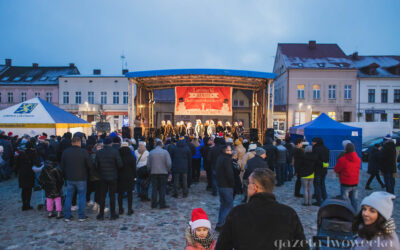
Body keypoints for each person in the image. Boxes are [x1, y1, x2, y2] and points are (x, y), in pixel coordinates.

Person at [216, 168, 309, 249]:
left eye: (248, 183)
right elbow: (301, 246)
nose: (247, 186)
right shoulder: (288, 213)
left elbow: (222, 246)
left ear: (255, 187)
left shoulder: (237, 212)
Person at [61, 137, 93, 222]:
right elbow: (90, 165)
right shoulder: (83, 152)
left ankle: (67, 216)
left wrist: (65, 176)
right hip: (81, 177)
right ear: (79, 143)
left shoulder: (66, 152)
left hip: (70, 178)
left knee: (69, 197)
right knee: (82, 197)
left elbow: (62, 166)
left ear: (72, 143)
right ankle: (81, 216)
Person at [95, 137, 123, 220]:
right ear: (111, 143)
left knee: (102, 196)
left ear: (103, 143)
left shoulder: (99, 152)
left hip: (102, 177)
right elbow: (120, 164)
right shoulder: (115, 152)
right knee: (112, 196)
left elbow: (96, 165)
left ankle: (101, 214)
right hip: (112, 176)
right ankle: (113, 214)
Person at [334, 143, 361, 211]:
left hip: (345, 183)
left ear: (345, 149)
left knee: (344, 201)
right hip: (355, 182)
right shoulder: (358, 159)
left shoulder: (343, 159)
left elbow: (336, 169)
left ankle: (346, 215)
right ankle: (355, 214)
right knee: (354, 200)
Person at [15, 141, 41, 211]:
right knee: (29, 189)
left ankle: (24, 204)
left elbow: (17, 164)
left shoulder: (21, 153)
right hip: (30, 172)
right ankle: (28, 204)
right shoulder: (33, 153)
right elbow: (37, 163)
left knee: (24, 189)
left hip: (22, 172)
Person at [215, 145, 234, 232]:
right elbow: (229, 173)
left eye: (231, 150)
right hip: (226, 185)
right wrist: (232, 183)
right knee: (228, 205)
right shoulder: (227, 159)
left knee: (223, 205)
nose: (231, 152)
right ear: (225, 151)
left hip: (220, 184)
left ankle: (221, 222)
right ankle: (220, 224)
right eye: (229, 151)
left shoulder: (220, 158)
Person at [147, 140, 171, 209]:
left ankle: (154, 204)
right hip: (163, 172)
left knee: (154, 188)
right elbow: (169, 163)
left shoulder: (151, 152)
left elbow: (148, 164)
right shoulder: (165, 152)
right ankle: (162, 204)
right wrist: (168, 170)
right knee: (162, 188)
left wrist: (150, 169)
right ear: (161, 145)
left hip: (154, 172)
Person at [38, 154, 64, 219]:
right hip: (55, 185)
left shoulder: (44, 168)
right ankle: (58, 213)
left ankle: (50, 212)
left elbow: (40, 178)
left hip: (47, 186)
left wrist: (43, 185)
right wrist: (60, 184)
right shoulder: (56, 168)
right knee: (57, 199)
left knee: (49, 198)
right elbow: (59, 178)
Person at [117, 142, 136, 215]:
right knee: (129, 193)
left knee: (120, 194)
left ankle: (120, 209)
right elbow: (134, 168)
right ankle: (129, 209)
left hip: (120, 176)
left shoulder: (118, 155)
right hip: (129, 176)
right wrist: (134, 176)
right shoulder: (131, 156)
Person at [312, 137, 330, 206]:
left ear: (316, 142)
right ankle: (325, 197)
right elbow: (327, 159)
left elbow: (315, 160)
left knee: (317, 185)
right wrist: (324, 164)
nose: (312, 143)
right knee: (322, 184)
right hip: (324, 169)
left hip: (317, 169)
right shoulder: (326, 148)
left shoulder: (316, 149)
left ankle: (319, 200)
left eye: (313, 142)